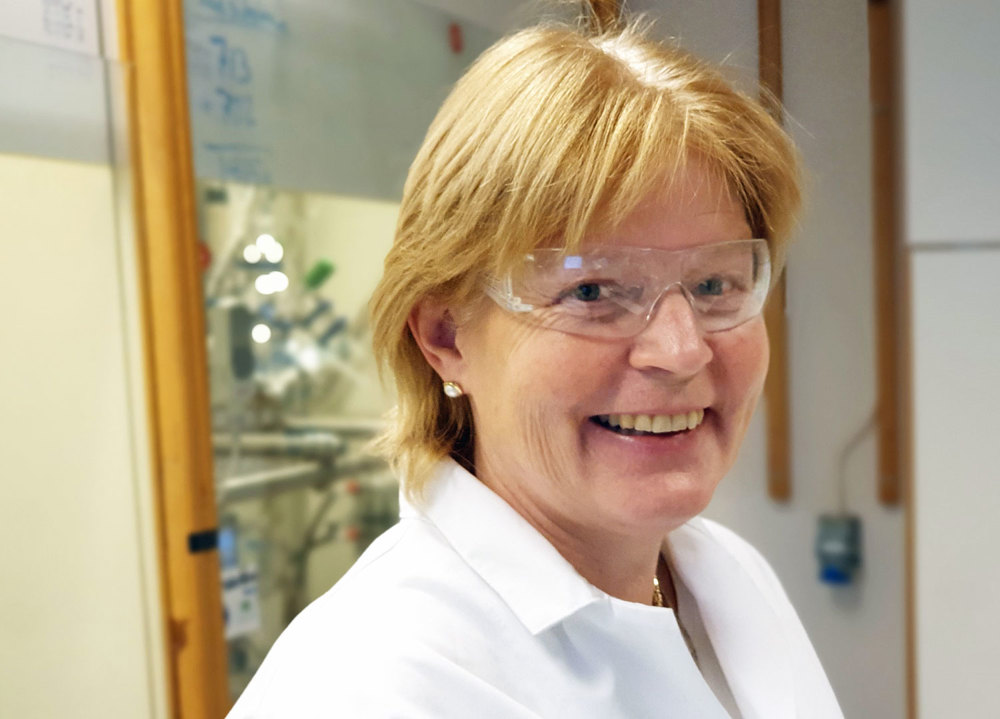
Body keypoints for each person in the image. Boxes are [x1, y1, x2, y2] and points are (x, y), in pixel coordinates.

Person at [228, 16, 843, 719]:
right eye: (592, 290)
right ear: (445, 334)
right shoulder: (367, 685)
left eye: (715, 285)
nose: (680, 351)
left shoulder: (725, 573)